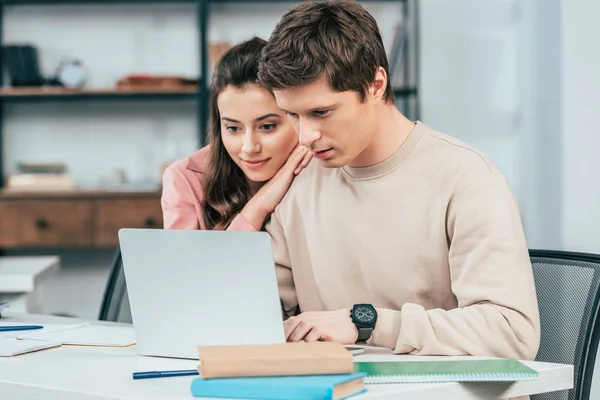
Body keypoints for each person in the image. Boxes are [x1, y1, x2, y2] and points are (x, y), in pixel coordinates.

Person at [257, 0, 540, 360]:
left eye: (321, 112)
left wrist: (368, 324)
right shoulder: (302, 184)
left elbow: (512, 333)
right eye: (292, 115)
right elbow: (252, 311)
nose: (305, 135)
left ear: (375, 85)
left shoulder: (467, 178)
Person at [161, 37, 311, 231]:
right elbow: (188, 263)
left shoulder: (320, 167)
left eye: (267, 127)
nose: (249, 147)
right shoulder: (185, 179)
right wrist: (259, 205)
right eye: (233, 128)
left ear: (296, 117)